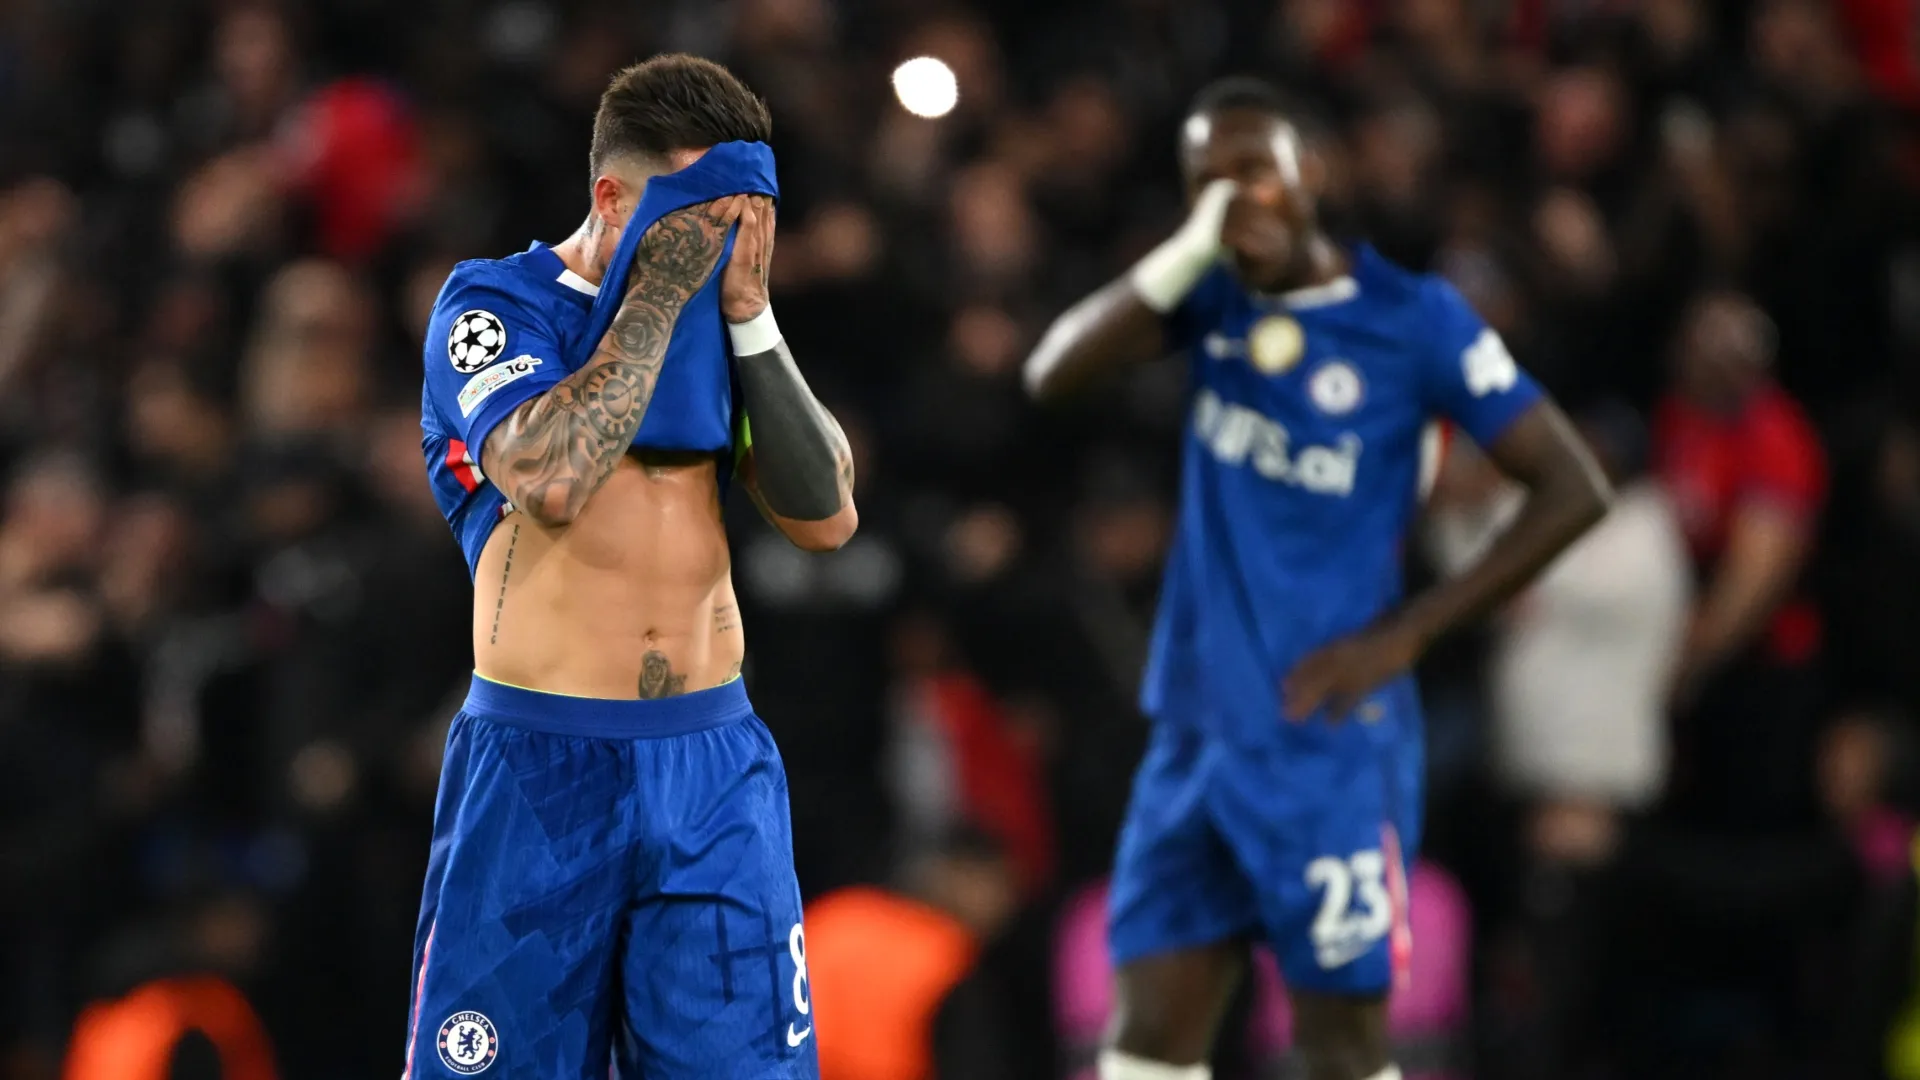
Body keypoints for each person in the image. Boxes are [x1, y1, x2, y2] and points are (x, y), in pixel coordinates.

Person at [1022, 77, 1610, 1080]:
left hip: (1328, 745)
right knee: (1146, 1042)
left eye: (1253, 170)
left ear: (1314, 172)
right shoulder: (1205, 297)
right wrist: (1186, 250)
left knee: (1341, 1047)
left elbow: (1573, 486)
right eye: (1205, 181)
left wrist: (1412, 632)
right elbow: (1052, 375)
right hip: (1197, 734)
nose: (1232, 198)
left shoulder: (1412, 320)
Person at [410, 54, 855, 1078]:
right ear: (614, 194)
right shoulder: (492, 306)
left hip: (714, 769)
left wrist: (748, 314)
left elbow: (827, 516)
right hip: (538, 768)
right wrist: (659, 284)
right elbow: (551, 476)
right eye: (704, 211)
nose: (721, 242)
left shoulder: (720, 331)